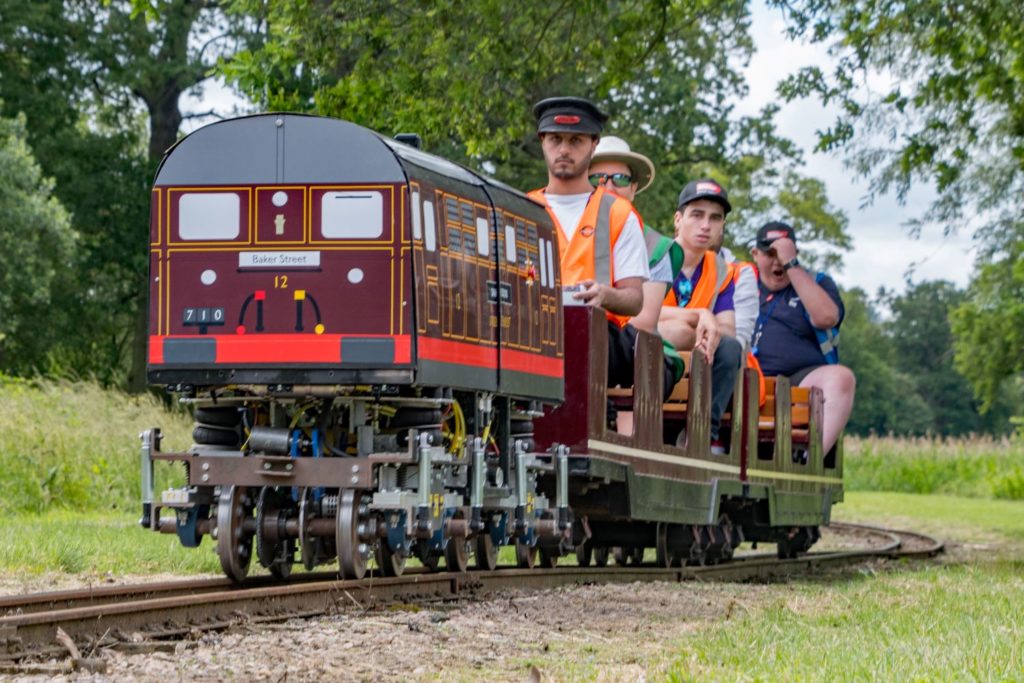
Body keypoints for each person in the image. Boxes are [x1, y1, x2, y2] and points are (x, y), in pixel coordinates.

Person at [526, 97, 675, 410]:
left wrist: (604, 294)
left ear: (593, 145)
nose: (564, 149)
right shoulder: (522, 207)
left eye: (575, 141)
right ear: (542, 141)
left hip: (597, 333)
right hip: (532, 330)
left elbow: (634, 300)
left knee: (580, 339)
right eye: (555, 139)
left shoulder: (619, 213)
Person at [587, 135, 684, 393]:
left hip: (633, 347)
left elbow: (644, 321)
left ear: (633, 188)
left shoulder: (655, 245)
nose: (609, 186)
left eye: (620, 179)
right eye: (597, 178)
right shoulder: (572, 234)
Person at [750, 221, 855, 454]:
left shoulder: (817, 282)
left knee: (842, 378)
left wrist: (792, 266)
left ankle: (811, 459)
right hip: (746, 377)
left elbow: (826, 318)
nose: (777, 262)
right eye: (770, 254)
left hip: (799, 381)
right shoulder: (741, 282)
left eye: (783, 254)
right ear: (755, 254)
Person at [657, 179, 743, 453]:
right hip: (651, 345)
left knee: (730, 348)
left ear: (722, 226)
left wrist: (698, 330)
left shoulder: (722, 270)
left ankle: (701, 435)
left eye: (715, 218)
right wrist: (698, 317)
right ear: (678, 219)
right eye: (697, 215)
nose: (706, 225)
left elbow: (727, 329)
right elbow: (640, 310)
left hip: (699, 353)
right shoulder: (654, 253)